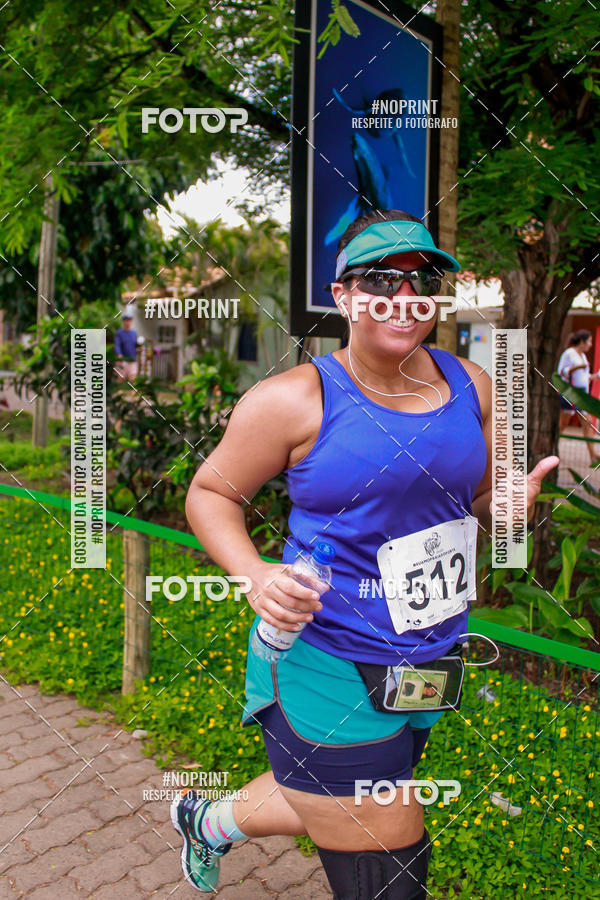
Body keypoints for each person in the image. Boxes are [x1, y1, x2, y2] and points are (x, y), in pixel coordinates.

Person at [174, 209, 560, 897]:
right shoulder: (294, 399)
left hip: (431, 649)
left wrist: (503, 510)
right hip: (325, 655)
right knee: (388, 869)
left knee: (337, 791)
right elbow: (210, 494)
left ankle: (206, 822)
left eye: (423, 281)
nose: (404, 298)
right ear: (345, 295)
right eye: (382, 278)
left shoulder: (472, 386)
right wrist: (256, 574)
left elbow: (473, 503)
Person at [557, 330, 600, 462]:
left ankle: (593, 455)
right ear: (582, 342)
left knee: (587, 423)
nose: (591, 345)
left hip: (581, 393)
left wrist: (596, 376)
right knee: (563, 424)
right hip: (571, 392)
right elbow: (561, 372)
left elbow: (583, 376)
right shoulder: (569, 353)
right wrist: (577, 367)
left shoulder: (582, 356)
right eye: (589, 341)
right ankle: (553, 448)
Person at [114, 310, 139, 381]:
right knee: (120, 380)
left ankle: (132, 392)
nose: (128, 322)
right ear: (123, 321)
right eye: (126, 320)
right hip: (122, 360)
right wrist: (119, 355)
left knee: (133, 379)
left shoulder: (134, 333)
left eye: (129, 320)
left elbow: (135, 345)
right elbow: (117, 345)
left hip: (132, 360)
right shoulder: (119, 333)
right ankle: (119, 392)